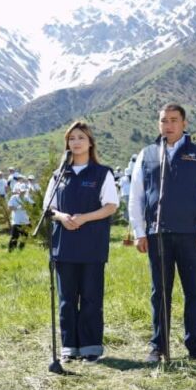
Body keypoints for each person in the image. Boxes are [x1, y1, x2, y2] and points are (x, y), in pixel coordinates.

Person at [128, 103, 196, 362]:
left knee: (194, 292)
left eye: (174, 120)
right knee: (159, 292)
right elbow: (136, 195)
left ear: (184, 123)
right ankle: (159, 347)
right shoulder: (147, 155)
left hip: (192, 235)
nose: (168, 125)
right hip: (158, 235)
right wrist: (139, 231)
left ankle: (194, 346)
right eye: (163, 120)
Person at [42, 121, 119, 363]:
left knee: (90, 298)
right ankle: (69, 348)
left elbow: (111, 206)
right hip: (64, 246)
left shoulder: (102, 173)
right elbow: (48, 207)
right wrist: (61, 217)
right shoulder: (59, 175)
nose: (76, 142)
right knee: (66, 300)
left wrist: (85, 217)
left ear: (90, 143)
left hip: (92, 246)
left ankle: (91, 347)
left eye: (81, 137)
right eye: (71, 138)